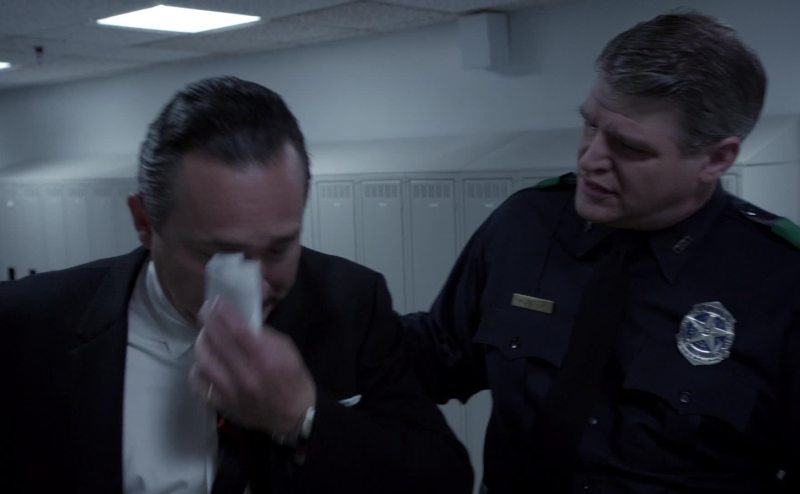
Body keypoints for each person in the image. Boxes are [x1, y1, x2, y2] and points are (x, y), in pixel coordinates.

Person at [2, 76, 472, 493]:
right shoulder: (27, 325)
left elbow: (443, 478)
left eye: (279, 248)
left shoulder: (351, 303)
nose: (258, 288)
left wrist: (302, 416)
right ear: (144, 222)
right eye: (221, 256)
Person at [403, 11, 800, 493]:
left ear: (715, 159)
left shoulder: (780, 281)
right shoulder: (526, 225)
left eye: (629, 147)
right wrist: (337, 304)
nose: (591, 159)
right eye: (590, 125)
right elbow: (439, 356)